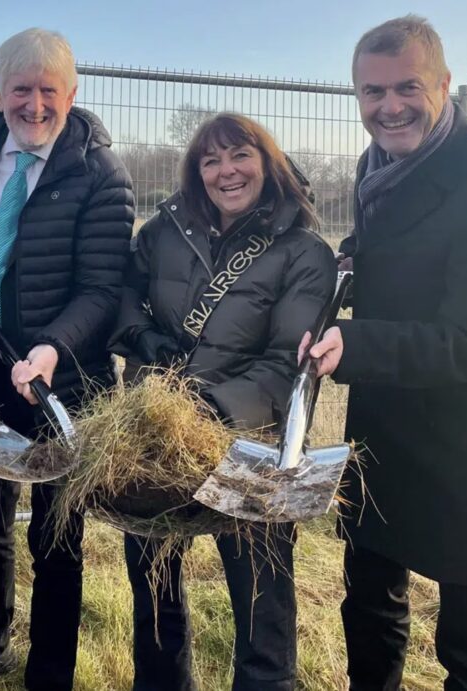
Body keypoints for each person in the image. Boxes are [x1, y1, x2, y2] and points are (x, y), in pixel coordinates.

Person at [303, 15, 467, 691]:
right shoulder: (376, 164)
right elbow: (394, 251)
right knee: (371, 601)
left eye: (406, 87)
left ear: (443, 85)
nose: (389, 107)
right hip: (386, 425)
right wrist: (351, 265)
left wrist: (356, 342)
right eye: (371, 92)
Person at [0, 28, 134, 691]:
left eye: (49, 91)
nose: (35, 104)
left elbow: (103, 288)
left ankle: (51, 671)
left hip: (65, 376)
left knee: (57, 533)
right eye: (20, 90)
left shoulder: (102, 174)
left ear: (72, 94)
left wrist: (50, 347)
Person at [110, 113, 335, 690]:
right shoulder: (161, 233)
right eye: (210, 161)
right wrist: (141, 337)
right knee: (154, 587)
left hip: (250, 445)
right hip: (154, 442)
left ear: (267, 162)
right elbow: (124, 296)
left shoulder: (304, 252)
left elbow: (289, 362)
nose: (225, 171)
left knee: (261, 600)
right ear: (195, 173)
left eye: (239, 156)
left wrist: (209, 409)